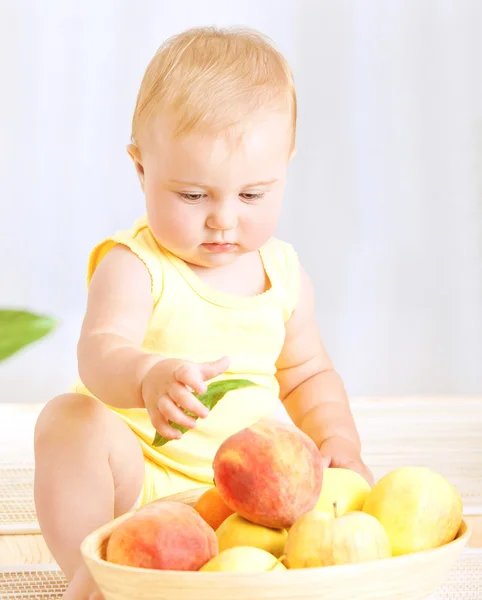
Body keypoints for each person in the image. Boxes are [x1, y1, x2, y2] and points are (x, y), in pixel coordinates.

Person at [33, 25, 372, 600]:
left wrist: (338, 437)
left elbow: (307, 372)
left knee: (322, 507)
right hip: (137, 483)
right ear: (141, 170)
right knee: (69, 423)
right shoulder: (136, 265)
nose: (222, 219)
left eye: (252, 195)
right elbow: (100, 352)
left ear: (286, 167)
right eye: (193, 195)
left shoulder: (283, 272)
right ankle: (96, 571)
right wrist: (146, 376)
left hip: (245, 499)